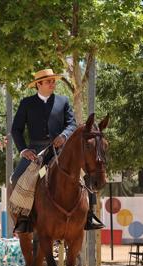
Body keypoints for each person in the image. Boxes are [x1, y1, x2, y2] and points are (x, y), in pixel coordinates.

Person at [10, 68, 104, 234]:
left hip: (61, 151)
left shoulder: (63, 101)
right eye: (48, 81)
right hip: (36, 152)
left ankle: (89, 216)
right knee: (18, 177)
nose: (52, 83)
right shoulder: (27, 103)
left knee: (85, 175)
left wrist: (64, 135)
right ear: (38, 84)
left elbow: (72, 124)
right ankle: (24, 218)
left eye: (53, 81)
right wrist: (24, 149)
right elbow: (16, 129)